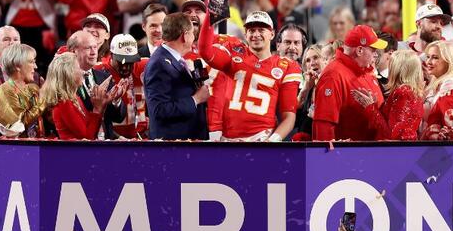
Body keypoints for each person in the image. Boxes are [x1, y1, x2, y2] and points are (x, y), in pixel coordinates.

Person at [199, 10, 301, 141]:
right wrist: (210, 16)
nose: (256, 34)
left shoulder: (286, 66)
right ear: (245, 34)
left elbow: (289, 117)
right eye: (251, 30)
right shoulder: (234, 50)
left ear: (272, 33)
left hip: (262, 138)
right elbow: (205, 52)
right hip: (228, 138)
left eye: (261, 30)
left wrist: (271, 141)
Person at [312, 25, 386, 141]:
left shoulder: (367, 71)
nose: (375, 54)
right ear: (359, 50)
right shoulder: (333, 75)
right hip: (349, 155)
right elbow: (323, 125)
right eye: (373, 50)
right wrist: (327, 157)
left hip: (371, 152)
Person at [143, 12, 210, 140]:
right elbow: (159, 110)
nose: (194, 36)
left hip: (183, 142)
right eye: (191, 32)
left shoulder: (171, 59)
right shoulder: (159, 64)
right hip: (172, 147)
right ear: (184, 36)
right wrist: (195, 99)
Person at [350, 49, 423, 141]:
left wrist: (370, 108)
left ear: (398, 68)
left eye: (391, 64)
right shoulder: (412, 91)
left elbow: (391, 135)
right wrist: (375, 104)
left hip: (394, 152)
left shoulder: (404, 92)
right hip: (404, 150)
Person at [41, 51, 108, 140]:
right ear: (69, 73)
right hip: (74, 152)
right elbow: (86, 137)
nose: (84, 72)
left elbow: (91, 128)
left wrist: (103, 104)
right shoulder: (64, 102)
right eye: (79, 68)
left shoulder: (74, 98)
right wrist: (97, 109)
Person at [0, 43, 44, 138]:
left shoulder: (33, 89)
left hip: (38, 146)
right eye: (31, 62)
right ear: (17, 65)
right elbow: (20, 123)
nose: (35, 67)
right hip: (16, 148)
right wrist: (44, 99)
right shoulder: (3, 91)